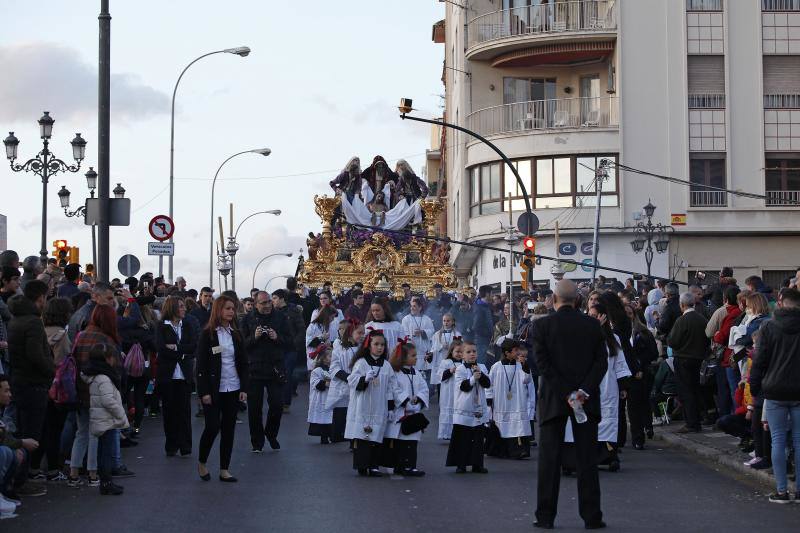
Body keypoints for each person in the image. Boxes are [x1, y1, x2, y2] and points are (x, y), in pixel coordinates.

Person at [530, 280, 607, 530]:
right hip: (585, 398)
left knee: (549, 460)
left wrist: (566, 393)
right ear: (578, 300)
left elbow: (542, 364)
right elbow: (601, 362)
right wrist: (582, 391)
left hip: (554, 398)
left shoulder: (542, 326)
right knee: (587, 460)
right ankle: (592, 516)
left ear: (553, 299)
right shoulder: (593, 326)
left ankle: (545, 516)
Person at [749, 288, 800, 504]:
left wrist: (754, 387)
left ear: (780, 302)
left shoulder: (768, 326)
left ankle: (781, 491)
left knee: (778, 439)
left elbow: (759, 360)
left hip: (774, 389)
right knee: (799, 440)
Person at [196, 295, 249, 482]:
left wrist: (244, 387)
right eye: (227, 308)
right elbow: (201, 366)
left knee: (229, 428)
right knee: (212, 426)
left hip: (233, 386)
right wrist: (204, 392)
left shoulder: (236, 333)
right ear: (218, 310)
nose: (231, 312)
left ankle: (224, 469)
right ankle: (202, 462)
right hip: (213, 388)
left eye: (233, 309)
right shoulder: (208, 334)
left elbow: (243, 362)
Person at [6, 280, 54, 487]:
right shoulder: (33, 322)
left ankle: (19, 477)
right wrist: (51, 370)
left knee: (23, 428)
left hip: (20, 380)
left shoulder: (17, 318)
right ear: (40, 297)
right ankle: (21, 481)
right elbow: (35, 353)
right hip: (33, 383)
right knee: (31, 433)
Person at [240, 291, 290, 452]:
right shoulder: (247, 319)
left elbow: (291, 342)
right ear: (255, 304)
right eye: (263, 303)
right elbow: (241, 346)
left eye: (269, 302)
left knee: (277, 404)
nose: (268, 305)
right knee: (254, 409)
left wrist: (277, 337)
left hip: (275, 368)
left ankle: (271, 433)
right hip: (254, 368)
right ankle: (257, 442)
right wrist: (254, 337)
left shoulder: (280, 317)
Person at [345, 329, 397, 477]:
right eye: (376, 344)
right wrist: (364, 379)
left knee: (376, 437)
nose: (380, 347)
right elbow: (352, 381)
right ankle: (362, 465)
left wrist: (391, 407)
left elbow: (391, 388)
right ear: (369, 345)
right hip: (362, 405)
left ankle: (374, 466)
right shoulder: (361, 363)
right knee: (362, 438)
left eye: (382, 345)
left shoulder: (386, 366)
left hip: (379, 406)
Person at [82, 343, 128, 495]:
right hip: (106, 420)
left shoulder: (94, 376)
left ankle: (105, 481)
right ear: (107, 359)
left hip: (100, 419)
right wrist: (121, 414)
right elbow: (108, 400)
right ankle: (107, 482)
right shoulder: (104, 378)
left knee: (102, 452)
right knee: (106, 453)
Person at [155, 296, 197, 457]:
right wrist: (182, 353)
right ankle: (171, 445)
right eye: (180, 306)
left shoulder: (187, 325)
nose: (184, 309)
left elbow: (193, 346)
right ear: (172, 308)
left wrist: (177, 348)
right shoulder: (161, 326)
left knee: (185, 411)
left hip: (184, 375)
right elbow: (161, 349)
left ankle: (186, 446)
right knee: (169, 411)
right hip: (168, 375)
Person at [667, 292, 710, 433]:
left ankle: (691, 423)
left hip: (683, 359)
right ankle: (698, 419)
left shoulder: (681, 321)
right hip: (699, 359)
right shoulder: (702, 319)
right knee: (696, 389)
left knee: (686, 392)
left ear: (682, 305)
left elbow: (673, 341)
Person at [40, 297, 72, 481]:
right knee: (55, 428)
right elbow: (62, 363)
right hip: (56, 387)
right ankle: (53, 468)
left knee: (43, 428)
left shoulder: (41, 331)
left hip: (40, 384)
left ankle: (37, 467)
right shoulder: (61, 335)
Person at [445, 341, 490, 474]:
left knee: (477, 439)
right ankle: (461, 464)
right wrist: (472, 378)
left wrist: (480, 375)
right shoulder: (460, 369)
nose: (472, 354)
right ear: (463, 356)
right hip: (464, 407)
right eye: (468, 352)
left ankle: (477, 464)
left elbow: (487, 384)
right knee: (463, 439)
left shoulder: (481, 367)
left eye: (474, 352)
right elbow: (463, 386)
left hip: (478, 408)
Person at [388, 340, 428, 476]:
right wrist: (406, 402)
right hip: (401, 412)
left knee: (413, 441)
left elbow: (424, 388)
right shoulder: (395, 373)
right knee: (401, 442)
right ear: (403, 357)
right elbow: (395, 389)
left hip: (414, 412)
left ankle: (411, 466)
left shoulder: (416, 373)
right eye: (413, 355)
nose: (416, 358)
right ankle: (400, 466)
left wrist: (419, 401)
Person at [487, 339, 532, 459]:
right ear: (507, 353)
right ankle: (502, 451)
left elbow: (526, 380)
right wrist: (489, 400)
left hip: (517, 401)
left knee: (518, 426)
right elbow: (489, 384)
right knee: (502, 426)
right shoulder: (496, 367)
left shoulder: (520, 366)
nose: (518, 353)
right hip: (502, 402)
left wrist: (525, 366)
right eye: (515, 350)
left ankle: (518, 451)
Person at [327, 320, 364, 443]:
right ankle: (336, 435)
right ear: (350, 333)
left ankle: (353, 439)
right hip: (342, 385)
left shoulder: (363, 349)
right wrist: (348, 378)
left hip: (358, 385)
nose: (362, 335)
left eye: (363, 333)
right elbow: (334, 368)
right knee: (340, 412)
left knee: (354, 413)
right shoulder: (339, 349)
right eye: (359, 333)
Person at [437, 339, 464, 440]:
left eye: (461, 352)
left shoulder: (464, 363)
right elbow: (440, 376)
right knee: (449, 412)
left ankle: (457, 434)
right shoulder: (446, 362)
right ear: (451, 351)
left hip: (460, 393)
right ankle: (446, 434)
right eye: (457, 351)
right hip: (448, 393)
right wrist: (450, 371)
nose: (459, 354)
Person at [401, 297, 434, 375]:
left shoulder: (427, 319)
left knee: (425, 376)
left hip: (424, 352)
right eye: (411, 306)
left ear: (420, 307)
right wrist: (411, 336)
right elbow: (403, 333)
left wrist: (423, 332)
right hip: (413, 350)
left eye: (414, 306)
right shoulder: (406, 319)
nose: (412, 308)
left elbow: (432, 332)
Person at [307, 346, 333, 444]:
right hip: (321, 398)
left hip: (330, 398)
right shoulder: (317, 371)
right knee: (323, 418)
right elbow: (315, 383)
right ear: (323, 358)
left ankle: (332, 436)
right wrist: (326, 383)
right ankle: (324, 437)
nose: (332, 358)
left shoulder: (333, 369)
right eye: (330, 356)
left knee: (331, 417)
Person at [429, 313, 460, 389]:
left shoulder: (457, 334)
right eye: (444, 321)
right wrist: (441, 346)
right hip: (440, 361)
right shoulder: (437, 334)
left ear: (452, 322)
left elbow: (460, 348)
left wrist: (451, 348)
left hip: (451, 363)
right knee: (440, 384)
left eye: (448, 321)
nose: (446, 322)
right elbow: (433, 348)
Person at [305, 306, 339, 372]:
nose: (333, 319)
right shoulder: (313, 326)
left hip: (325, 362)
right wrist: (321, 338)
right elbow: (309, 344)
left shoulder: (326, 326)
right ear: (326, 316)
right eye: (332, 317)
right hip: (315, 362)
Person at [472, 285, 495, 366]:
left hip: (486, 341)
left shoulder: (486, 306)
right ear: (487, 294)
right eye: (492, 293)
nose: (493, 296)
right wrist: (489, 334)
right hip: (482, 341)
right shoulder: (479, 308)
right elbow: (476, 327)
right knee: (482, 364)